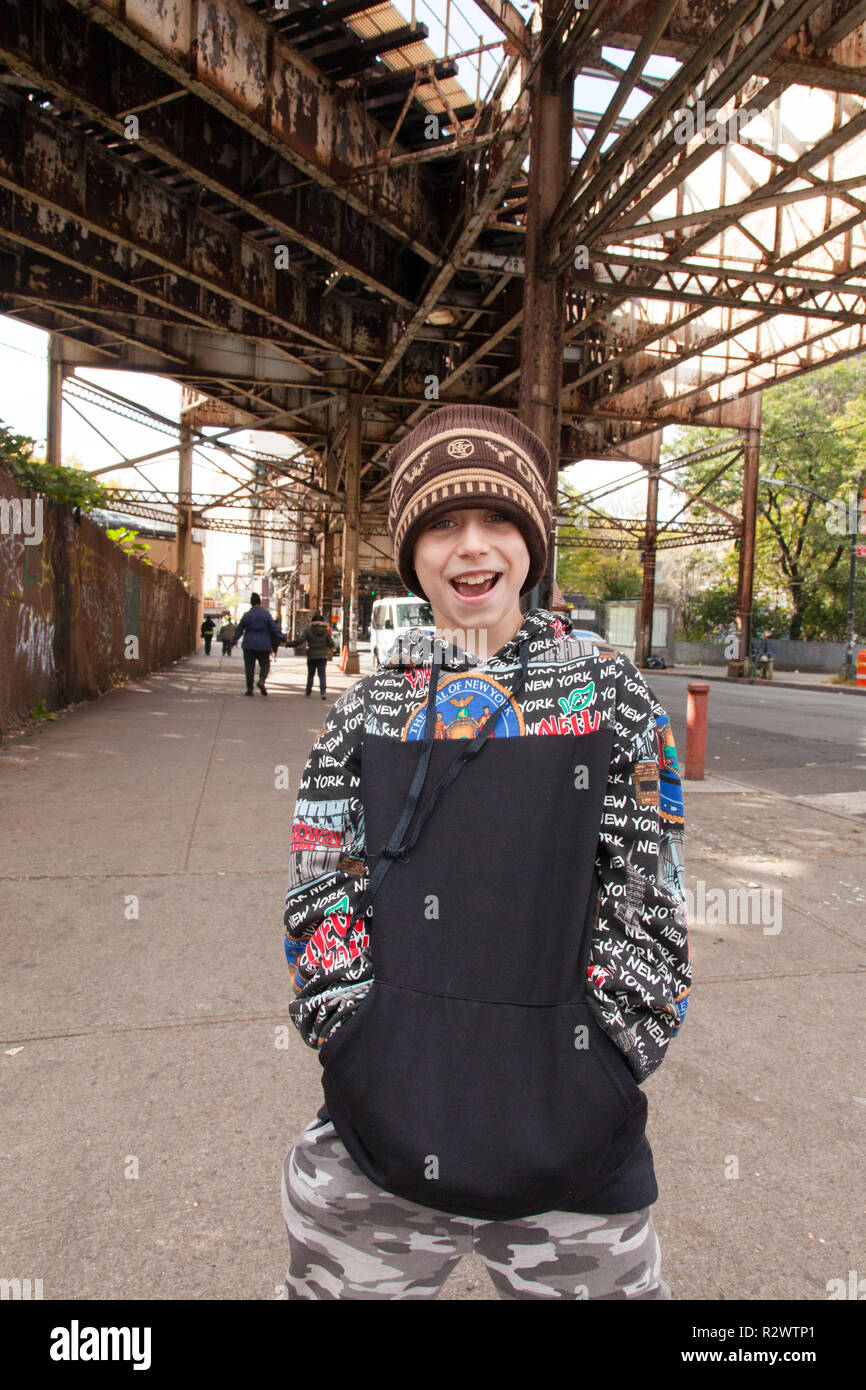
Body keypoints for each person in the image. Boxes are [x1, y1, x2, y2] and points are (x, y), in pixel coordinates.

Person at [280, 404, 691, 1300]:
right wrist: (355, 1039)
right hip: (375, 1139)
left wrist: (604, 1064)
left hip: (576, 1151)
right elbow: (320, 894)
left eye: (498, 518)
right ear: (411, 552)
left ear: (533, 542)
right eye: (441, 524)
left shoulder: (612, 697)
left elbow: (649, 899)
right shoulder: (366, 711)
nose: (472, 548)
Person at [231, 593, 285, 696]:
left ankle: (250, 690)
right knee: (265, 664)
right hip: (263, 644)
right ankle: (261, 680)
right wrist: (282, 637)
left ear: (251, 602)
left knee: (249, 667)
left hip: (249, 644)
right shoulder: (266, 614)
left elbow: (239, 630)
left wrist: (233, 642)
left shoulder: (247, 615)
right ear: (260, 602)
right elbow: (274, 628)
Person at [287, 610, 337, 700]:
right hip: (322, 656)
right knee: (322, 675)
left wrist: (290, 644)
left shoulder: (309, 629)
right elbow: (331, 643)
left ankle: (308, 692)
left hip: (311, 655)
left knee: (310, 674)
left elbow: (301, 640)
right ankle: (323, 692)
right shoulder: (326, 631)